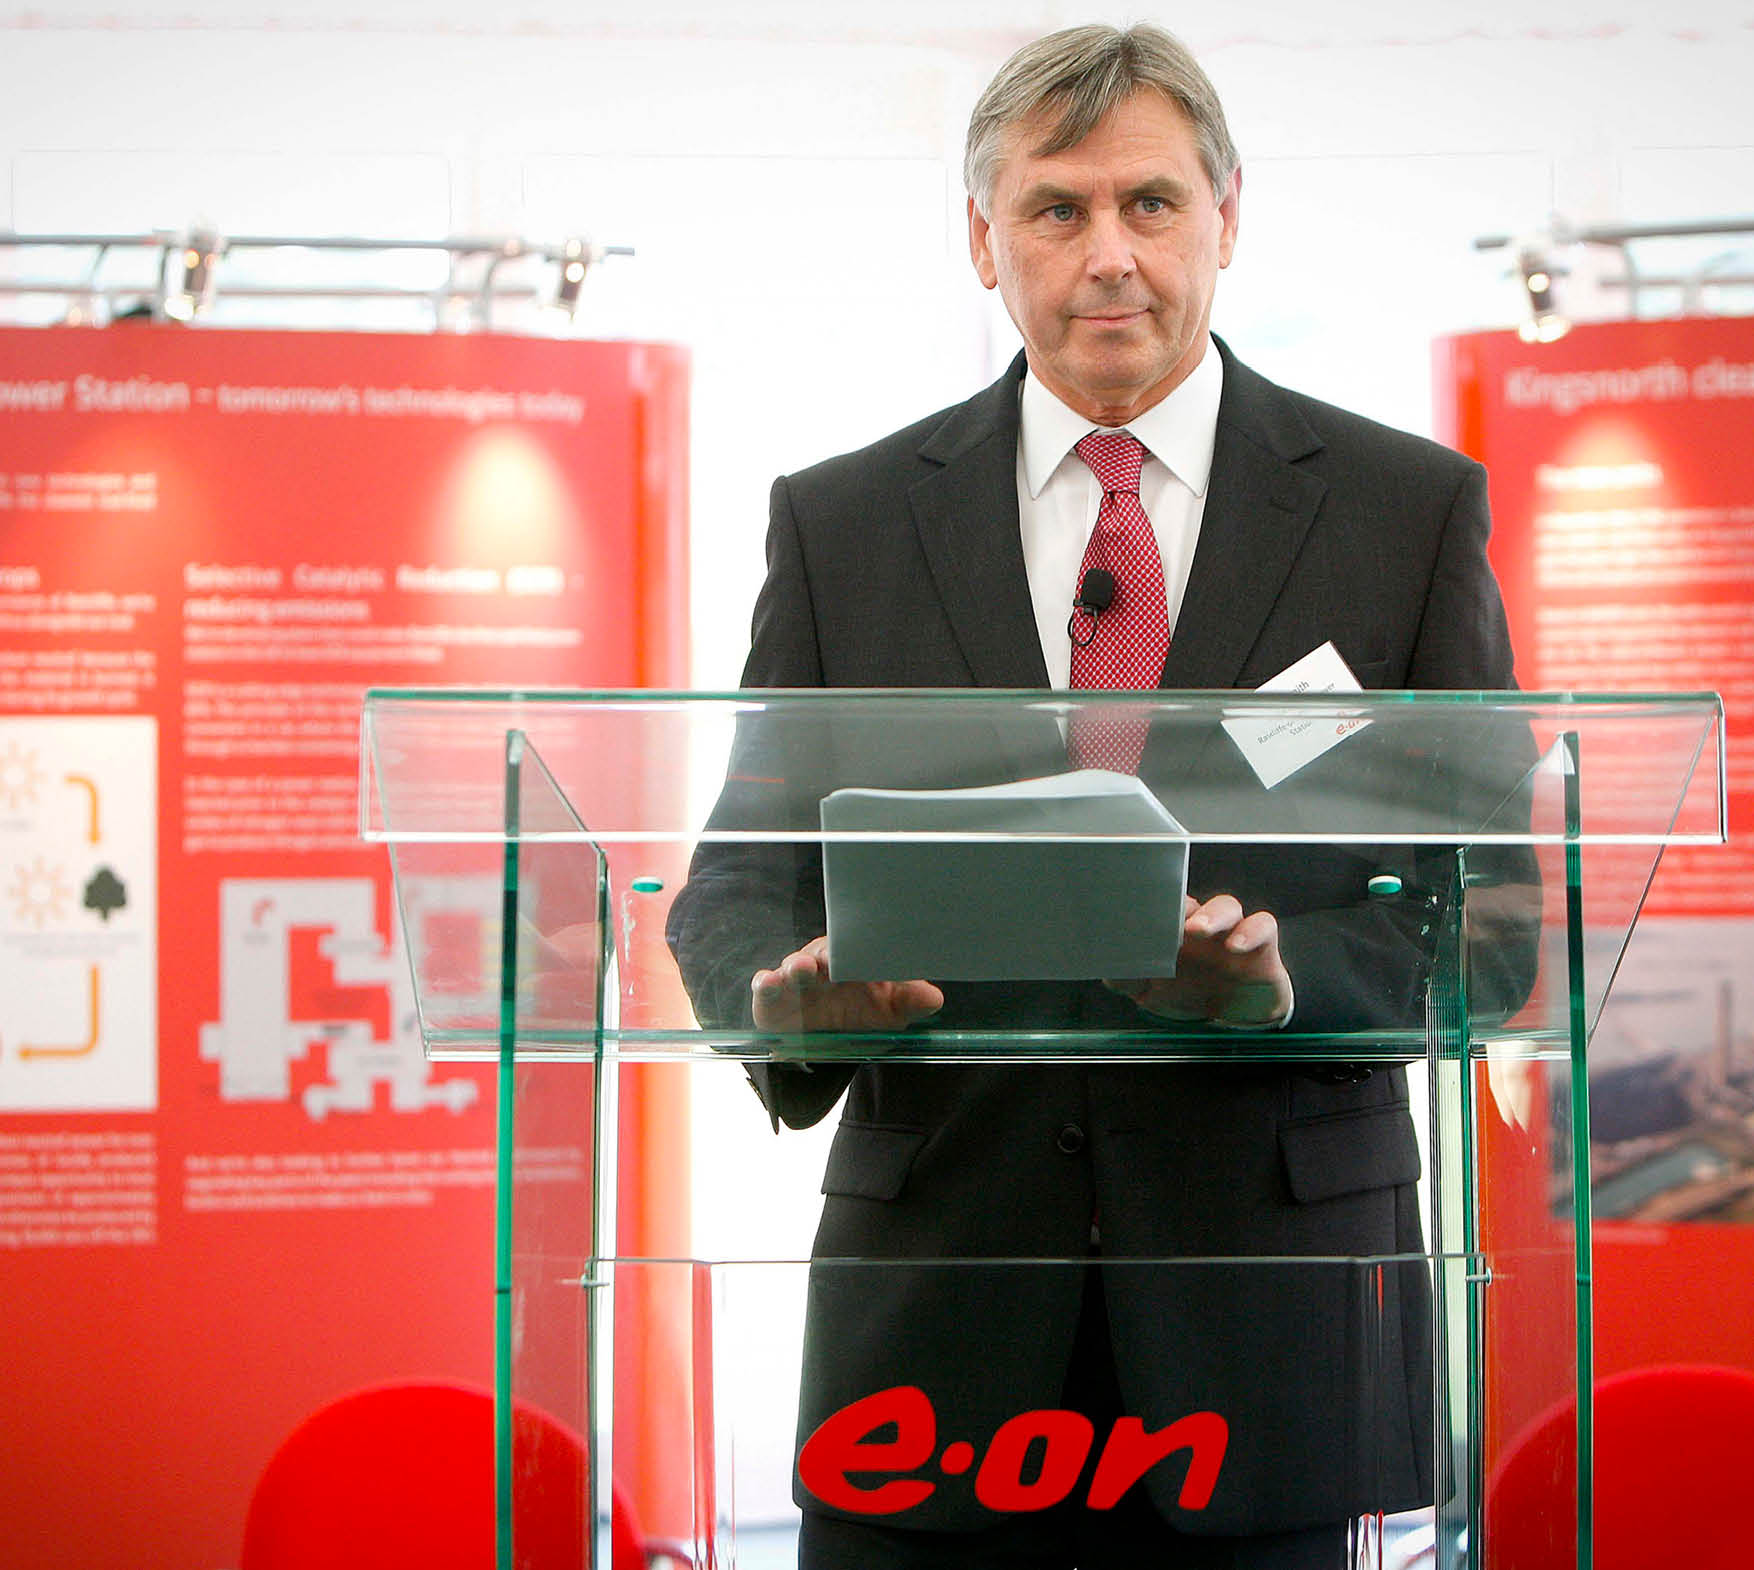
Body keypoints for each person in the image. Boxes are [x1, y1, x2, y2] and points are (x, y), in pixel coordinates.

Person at [666, 23, 1528, 1569]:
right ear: (982, 240)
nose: (1110, 253)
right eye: (1057, 209)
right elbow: (734, 887)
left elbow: (1505, 918)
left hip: (1271, 1330)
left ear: (1228, 215)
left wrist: (1279, 983)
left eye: (1151, 202)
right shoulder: (842, 525)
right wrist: (791, 1006)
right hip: (934, 1342)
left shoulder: (1402, 517)